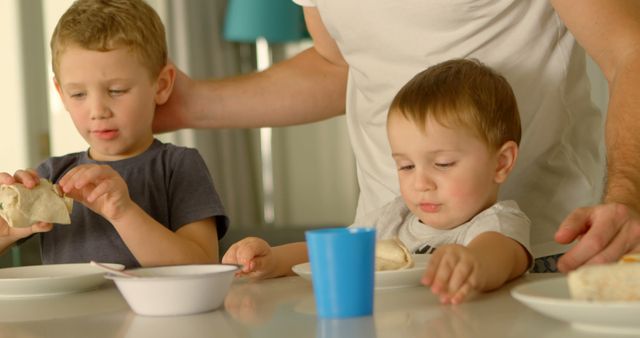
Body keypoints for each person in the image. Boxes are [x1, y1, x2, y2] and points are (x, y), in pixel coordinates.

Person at [154, 1, 640, 272]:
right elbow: (337, 66)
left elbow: (629, 49)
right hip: (389, 262)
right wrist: (190, 106)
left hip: (541, 247)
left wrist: (627, 192)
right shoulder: (391, 219)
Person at [223, 59, 532, 304]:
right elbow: (336, 251)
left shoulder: (498, 224)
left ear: (501, 162)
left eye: (443, 164)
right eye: (406, 166)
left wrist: (472, 262)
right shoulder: (394, 217)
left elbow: (498, 257)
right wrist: (273, 260)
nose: (421, 182)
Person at [0, 0, 228, 268]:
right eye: (78, 94)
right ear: (61, 93)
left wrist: (124, 213)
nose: (97, 111)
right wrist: (7, 230)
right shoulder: (51, 175)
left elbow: (202, 265)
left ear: (162, 85)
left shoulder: (179, 167)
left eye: (117, 90)